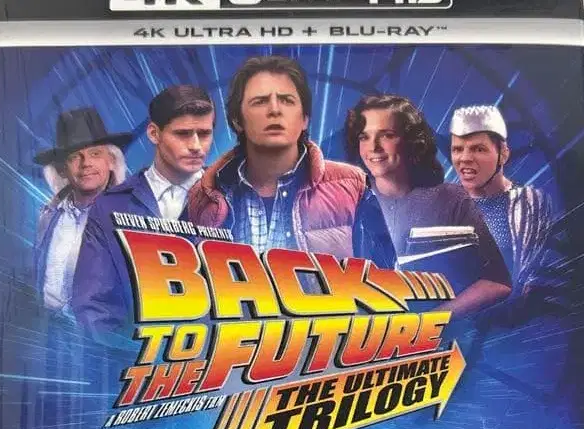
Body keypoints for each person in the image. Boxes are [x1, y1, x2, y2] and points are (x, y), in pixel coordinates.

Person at [185, 56, 395, 269]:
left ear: (304, 119)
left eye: (287, 100)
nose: (275, 110)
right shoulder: (204, 194)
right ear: (237, 121)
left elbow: (385, 277)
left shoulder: (352, 186)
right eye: (260, 101)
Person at [345, 94, 511, 318]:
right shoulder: (349, 203)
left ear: (411, 141)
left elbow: (497, 282)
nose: (373, 147)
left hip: (440, 335)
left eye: (387, 135)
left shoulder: (450, 199)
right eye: (364, 137)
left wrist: (432, 321)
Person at [72, 85, 215, 338]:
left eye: (204, 134)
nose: (196, 146)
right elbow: (92, 306)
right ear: (153, 133)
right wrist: (128, 357)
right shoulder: (109, 207)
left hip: (222, 357)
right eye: (183, 134)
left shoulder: (235, 199)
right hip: (132, 358)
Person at [449, 105, 555, 303]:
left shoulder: (527, 203)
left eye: (478, 149)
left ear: (503, 154)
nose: (465, 158)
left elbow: (531, 282)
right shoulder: (446, 204)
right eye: (457, 149)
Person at [34, 107, 132, 320]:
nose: (86, 163)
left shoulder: (131, 218)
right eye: (74, 157)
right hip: (49, 329)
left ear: (111, 161)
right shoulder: (48, 215)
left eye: (95, 154)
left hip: (102, 334)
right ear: (62, 169)